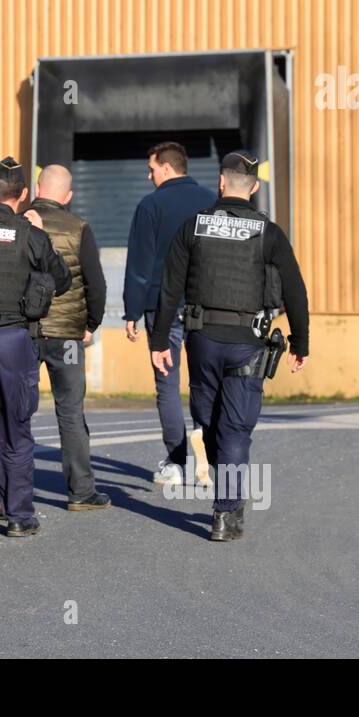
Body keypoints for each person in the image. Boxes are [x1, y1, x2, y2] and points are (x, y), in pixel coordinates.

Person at [149, 150, 310, 542]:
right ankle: (226, 511)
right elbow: (295, 290)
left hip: (201, 340)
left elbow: (169, 286)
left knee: (210, 420)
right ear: (253, 188)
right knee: (233, 428)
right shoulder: (268, 232)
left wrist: (158, 341)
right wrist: (299, 342)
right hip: (247, 345)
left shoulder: (193, 227)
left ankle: (226, 502)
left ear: (221, 183)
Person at [0, 157, 71, 545]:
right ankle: (19, 515)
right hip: (16, 344)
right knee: (16, 427)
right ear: (23, 195)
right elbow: (62, 281)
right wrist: (40, 234)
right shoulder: (31, 234)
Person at [123, 142, 217, 487]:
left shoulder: (150, 206)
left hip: (162, 309)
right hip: (207, 307)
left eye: (151, 169)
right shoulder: (211, 201)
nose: (149, 176)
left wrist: (132, 310)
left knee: (167, 385)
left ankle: (175, 463)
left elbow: (140, 264)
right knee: (205, 383)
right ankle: (208, 458)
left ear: (166, 168)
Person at [22, 165, 110, 510]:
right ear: (68, 196)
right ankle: (81, 492)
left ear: (37, 188)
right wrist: (92, 323)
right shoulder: (79, 227)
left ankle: (5, 493)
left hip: (25, 332)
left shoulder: (19, 220)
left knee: (16, 412)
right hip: (67, 338)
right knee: (70, 411)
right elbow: (96, 283)